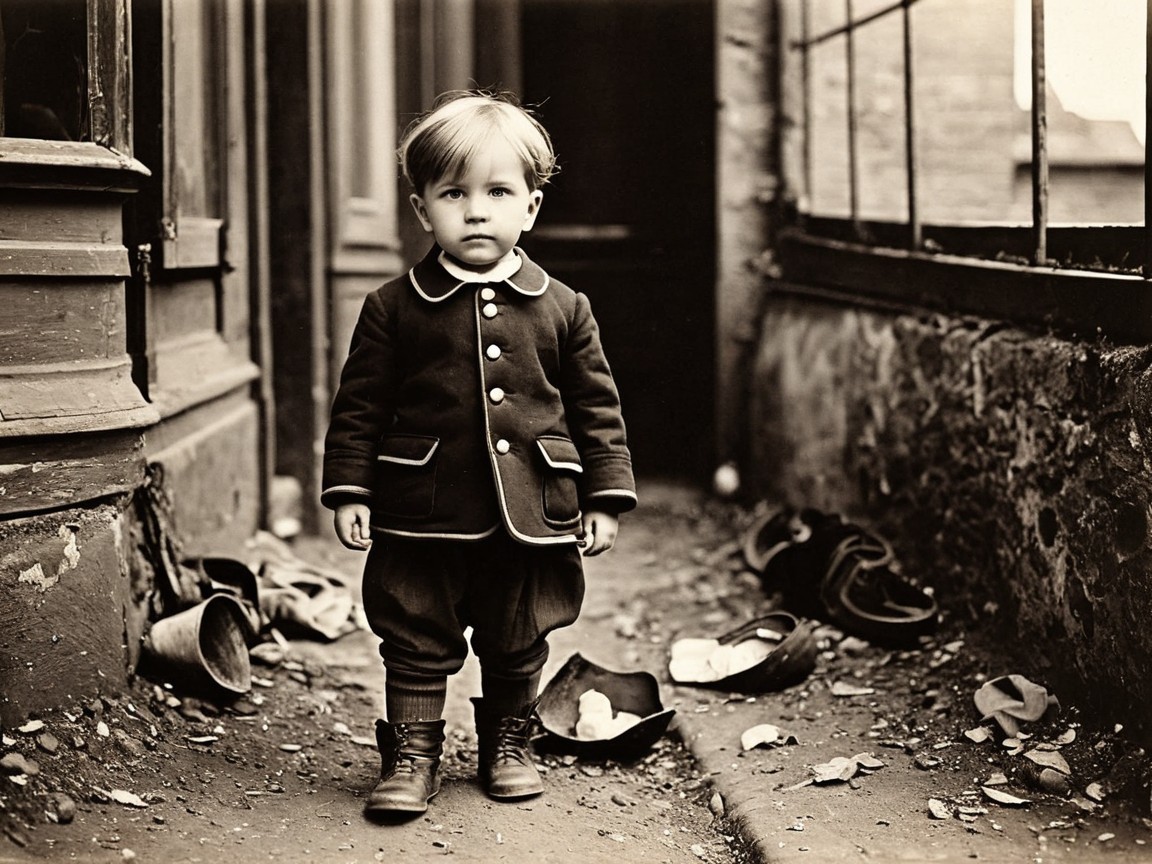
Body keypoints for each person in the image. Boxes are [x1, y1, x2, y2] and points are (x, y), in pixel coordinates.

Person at [321, 90, 636, 818]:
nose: (476, 210)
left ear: (529, 207)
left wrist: (605, 498)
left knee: (519, 630)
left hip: (533, 509)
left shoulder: (564, 307)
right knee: (414, 628)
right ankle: (412, 756)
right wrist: (350, 490)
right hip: (422, 509)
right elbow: (359, 407)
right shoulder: (392, 307)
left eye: (498, 192)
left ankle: (510, 744)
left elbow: (597, 410)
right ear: (421, 209)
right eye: (453, 193)